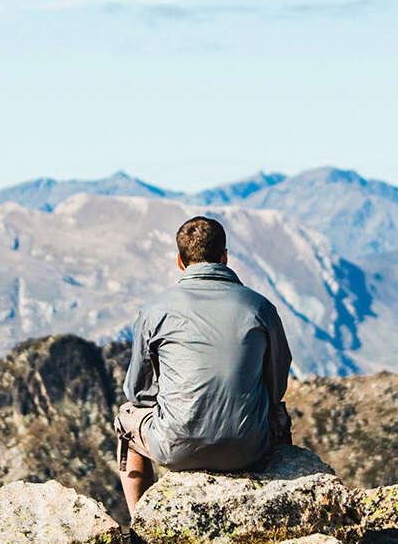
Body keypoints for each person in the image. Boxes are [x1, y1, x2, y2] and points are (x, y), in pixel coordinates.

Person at [115, 216, 293, 516]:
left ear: (180, 262)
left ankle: (139, 524)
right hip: (250, 447)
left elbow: (138, 393)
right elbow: (276, 386)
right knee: (278, 414)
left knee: (126, 420)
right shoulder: (259, 307)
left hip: (175, 448)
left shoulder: (155, 309)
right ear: (224, 257)